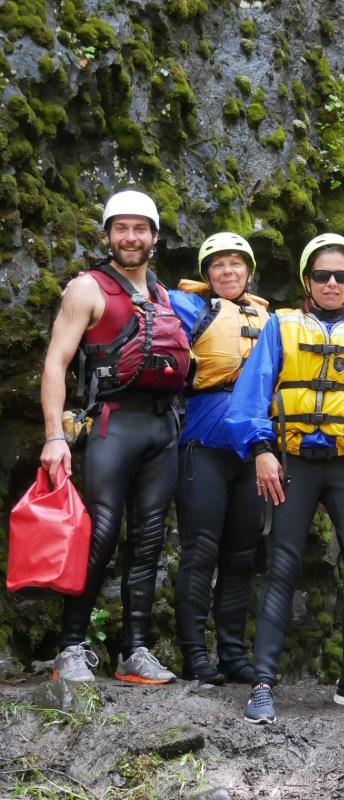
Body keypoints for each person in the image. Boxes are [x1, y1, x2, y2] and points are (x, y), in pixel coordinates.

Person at [226, 233, 344, 725]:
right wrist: (261, 451)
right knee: (283, 563)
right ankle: (263, 682)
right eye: (323, 275)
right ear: (308, 281)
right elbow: (251, 395)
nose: (332, 283)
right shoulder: (280, 328)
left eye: (341, 276)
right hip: (292, 463)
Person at [40, 189, 190, 684]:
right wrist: (54, 436)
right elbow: (56, 363)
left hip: (162, 427)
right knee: (101, 533)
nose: (131, 237)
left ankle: (136, 651)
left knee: (148, 540)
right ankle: (70, 648)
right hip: (112, 423)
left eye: (140, 228)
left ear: (154, 236)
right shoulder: (87, 288)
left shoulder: (165, 296)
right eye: (121, 228)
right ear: (107, 235)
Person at [169, 233, 270, 684]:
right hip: (203, 448)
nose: (227, 272)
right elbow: (145, 299)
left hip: (252, 455)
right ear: (207, 273)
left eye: (236, 264)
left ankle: (232, 653)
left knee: (242, 555)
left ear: (249, 272)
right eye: (218, 265)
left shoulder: (272, 319)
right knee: (201, 551)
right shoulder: (191, 307)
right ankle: (195, 655)